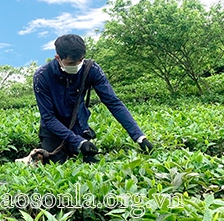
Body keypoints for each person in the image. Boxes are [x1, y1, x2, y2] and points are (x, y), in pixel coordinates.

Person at [30, 34, 153, 164]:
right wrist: (79, 142)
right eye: (71, 63)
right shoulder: (42, 76)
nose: (77, 66)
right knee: (56, 165)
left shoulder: (91, 69)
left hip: (79, 127)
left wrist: (139, 136)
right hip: (53, 131)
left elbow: (113, 103)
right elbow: (48, 118)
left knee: (91, 163)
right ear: (58, 58)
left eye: (80, 61)